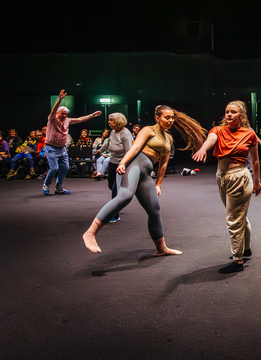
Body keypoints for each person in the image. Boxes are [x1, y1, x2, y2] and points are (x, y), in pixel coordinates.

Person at [82, 105, 206, 255]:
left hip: (146, 173)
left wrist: (158, 184)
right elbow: (134, 149)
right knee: (125, 196)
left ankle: (161, 248)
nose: (171, 120)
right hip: (133, 165)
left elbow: (164, 163)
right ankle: (90, 232)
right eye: (167, 117)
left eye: (172, 117)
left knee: (154, 210)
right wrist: (122, 163)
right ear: (157, 118)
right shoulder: (148, 130)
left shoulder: (169, 138)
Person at [193, 100, 261, 273]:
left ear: (241, 115)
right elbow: (211, 139)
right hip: (221, 176)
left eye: (233, 112)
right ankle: (245, 249)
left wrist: (258, 182)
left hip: (239, 176)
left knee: (234, 218)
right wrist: (202, 149)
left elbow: (255, 160)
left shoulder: (248, 134)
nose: (229, 114)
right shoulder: (218, 130)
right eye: (227, 112)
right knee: (239, 216)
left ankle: (238, 261)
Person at [43, 90, 101, 195]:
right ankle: (46, 185)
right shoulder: (52, 119)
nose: (64, 115)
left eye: (66, 114)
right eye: (62, 114)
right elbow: (53, 110)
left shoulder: (67, 120)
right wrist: (60, 99)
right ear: (58, 113)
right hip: (51, 147)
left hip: (62, 148)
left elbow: (80, 119)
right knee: (54, 168)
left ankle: (59, 187)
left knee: (65, 168)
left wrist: (92, 115)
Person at [94, 113, 134, 223]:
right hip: (112, 163)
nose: (108, 122)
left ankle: (114, 214)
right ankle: (120, 201)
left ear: (117, 121)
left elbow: (130, 151)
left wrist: (123, 164)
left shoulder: (125, 134)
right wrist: (100, 151)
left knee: (115, 190)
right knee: (111, 186)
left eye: (111, 120)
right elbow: (108, 144)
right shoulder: (113, 132)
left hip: (122, 165)